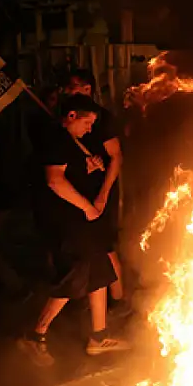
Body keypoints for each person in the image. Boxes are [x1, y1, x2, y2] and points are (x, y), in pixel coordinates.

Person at [17, 95, 133, 366]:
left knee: (100, 272)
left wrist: (92, 168)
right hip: (65, 223)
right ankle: (34, 336)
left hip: (82, 222)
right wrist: (87, 207)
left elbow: (73, 172)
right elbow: (55, 180)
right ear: (71, 116)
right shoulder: (55, 139)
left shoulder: (72, 141)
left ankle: (98, 337)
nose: (90, 129)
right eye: (87, 122)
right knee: (74, 277)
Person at [63, 70, 128, 314]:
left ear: (89, 90)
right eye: (70, 87)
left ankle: (118, 300)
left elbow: (116, 157)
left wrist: (103, 195)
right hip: (80, 196)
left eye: (79, 87)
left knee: (106, 247)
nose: (72, 92)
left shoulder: (102, 119)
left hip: (99, 194)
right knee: (89, 249)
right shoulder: (66, 120)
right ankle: (92, 299)